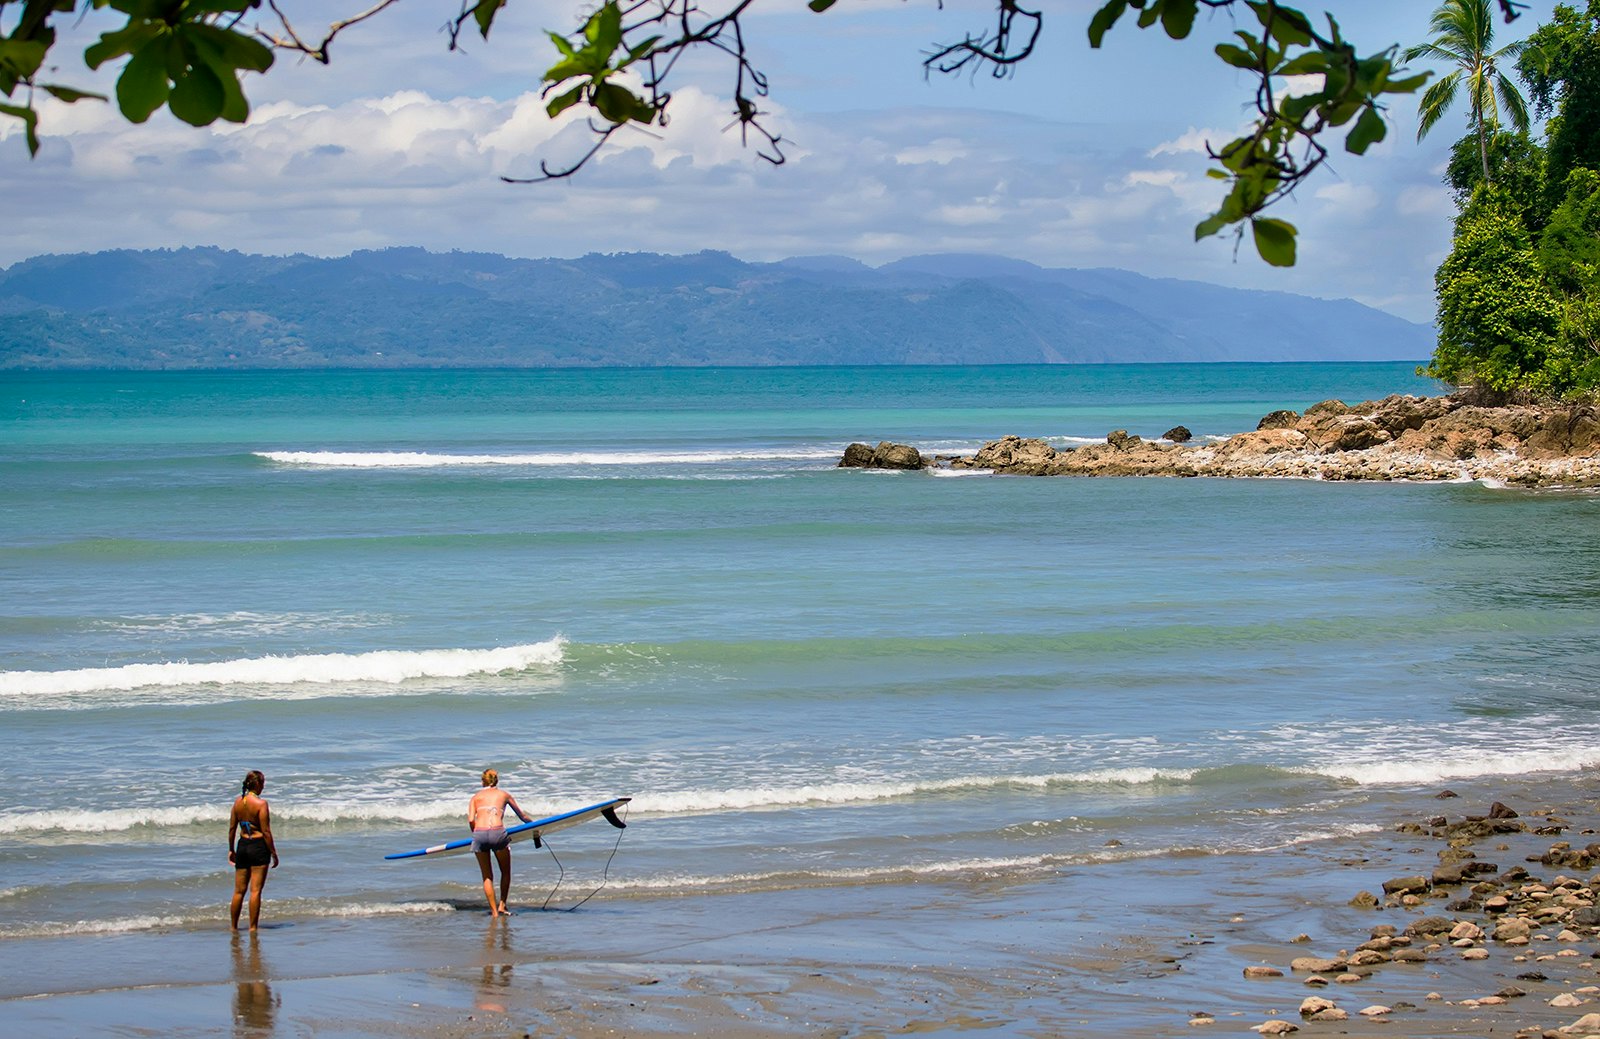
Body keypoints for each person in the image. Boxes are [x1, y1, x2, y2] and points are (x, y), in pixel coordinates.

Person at [467, 768, 531, 917]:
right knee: (505, 872)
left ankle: (494, 913)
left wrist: (476, 834)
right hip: (497, 833)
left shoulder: (475, 797)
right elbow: (522, 816)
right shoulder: (504, 795)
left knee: (487, 876)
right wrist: (536, 826)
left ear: (483, 781)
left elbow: (471, 820)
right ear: (497, 780)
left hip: (480, 834)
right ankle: (502, 905)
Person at [228, 770, 279, 930]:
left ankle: (234, 927)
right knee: (255, 890)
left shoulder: (237, 803)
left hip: (242, 845)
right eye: (263, 783)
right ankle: (252, 927)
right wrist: (273, 852)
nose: (263, 787)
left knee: (238, 891)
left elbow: (231, 829)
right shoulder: (261, 804)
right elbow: (266, 831)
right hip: (258, 846)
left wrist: (231, 849)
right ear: (257, 784)